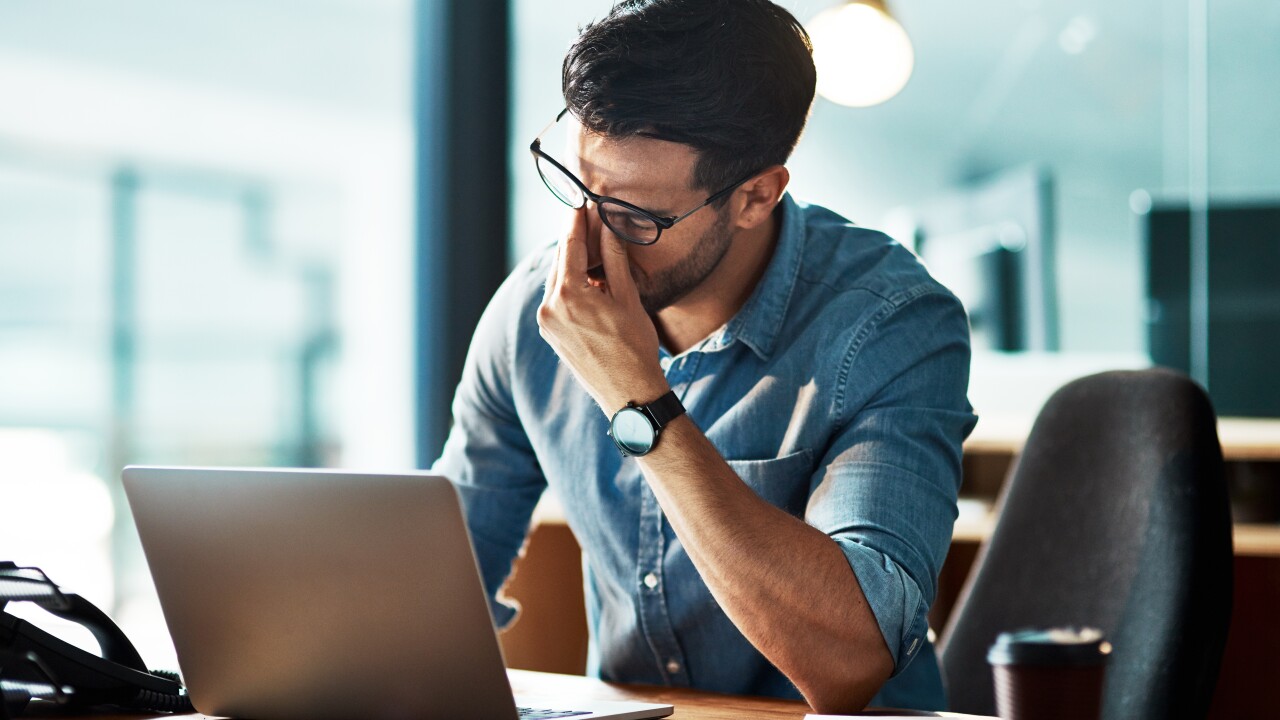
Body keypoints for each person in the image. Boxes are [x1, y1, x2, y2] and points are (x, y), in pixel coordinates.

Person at [433, 0, 976, 712]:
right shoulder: (537, 311)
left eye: (634, 217)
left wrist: (639, 401)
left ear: (755, 196)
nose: (587, 240)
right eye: (577, 187)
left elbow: (851, 662)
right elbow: (443, 575)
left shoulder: (890, 325)